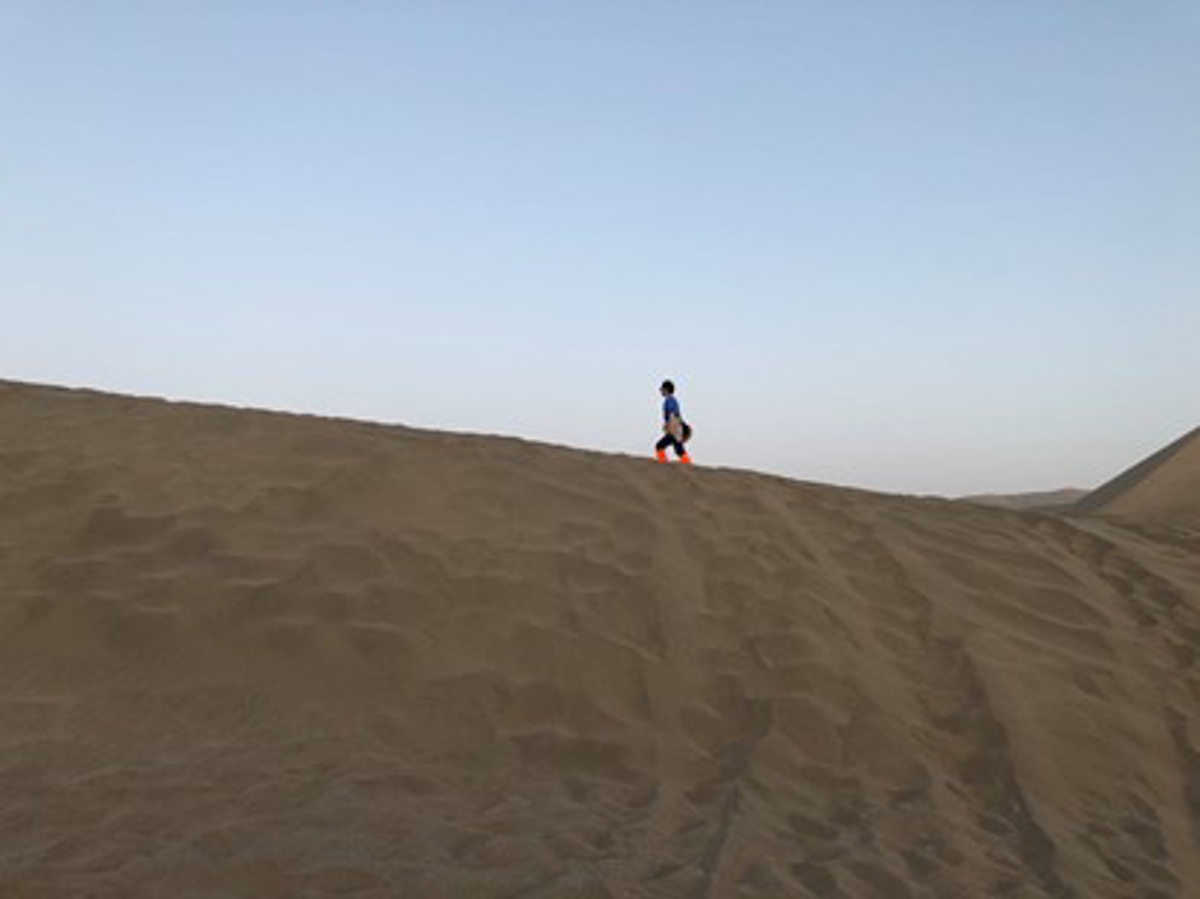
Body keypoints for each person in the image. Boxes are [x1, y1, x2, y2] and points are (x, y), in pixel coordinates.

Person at [655, 379, 693, 464]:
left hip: (674, 427)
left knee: (659, 446)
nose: (661, 391)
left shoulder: (669, 400)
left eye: (662, 389)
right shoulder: (672, 400)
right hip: (676, 427)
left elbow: (673, 414)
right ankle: (688, 464)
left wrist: (669, 426)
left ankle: (662, 464)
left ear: (666, 389)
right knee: (678, 449)